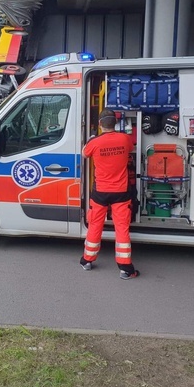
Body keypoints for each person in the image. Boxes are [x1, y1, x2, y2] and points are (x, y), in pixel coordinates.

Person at [80, 108, 139, 279]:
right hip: (121, 192)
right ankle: (126, 268)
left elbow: (84, 154)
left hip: (100, 191)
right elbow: (131, 148)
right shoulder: (124, 139)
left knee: (95, 225)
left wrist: (91, 139)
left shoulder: (95, 142)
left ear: (100, 124)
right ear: (116, 123)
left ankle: (87, 260)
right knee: (121, 228)